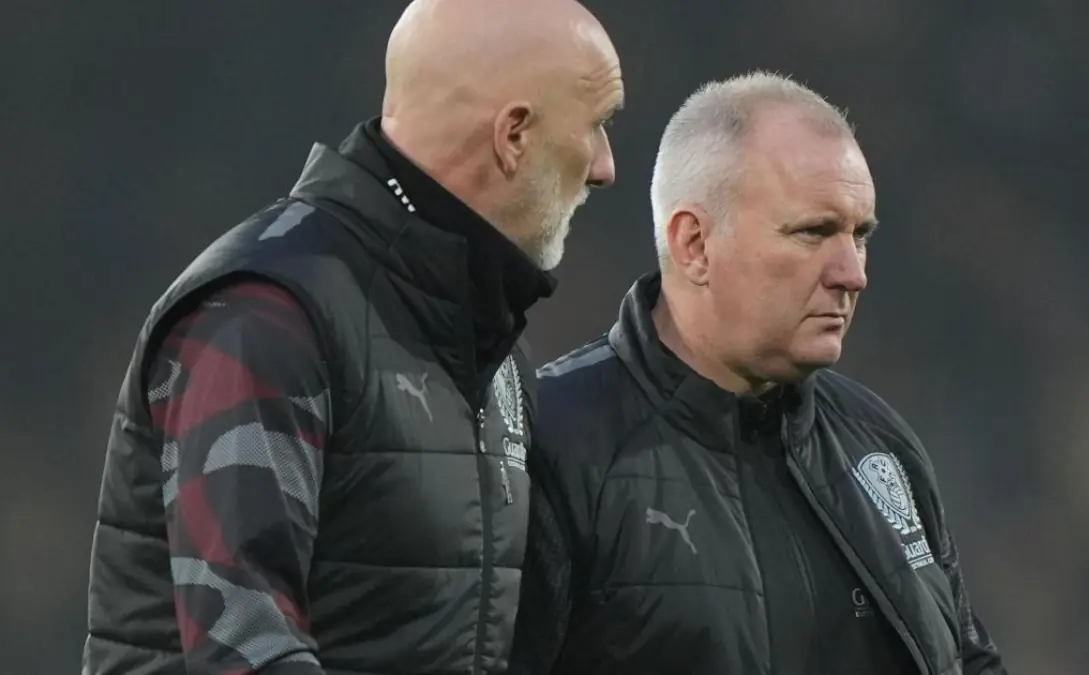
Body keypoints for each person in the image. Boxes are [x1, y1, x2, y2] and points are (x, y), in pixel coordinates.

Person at [82, 0, 623, 672]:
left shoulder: (492, 349)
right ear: (512, 134)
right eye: (597, 126)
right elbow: (244, 651)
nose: (606, 166)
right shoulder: (265, 317)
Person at [510, 72, 1007, 675]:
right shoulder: (552, 444)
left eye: (859, 235)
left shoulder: (878, 443)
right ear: (694, 244)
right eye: (814, 232)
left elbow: (968, 659)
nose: (852, 273)